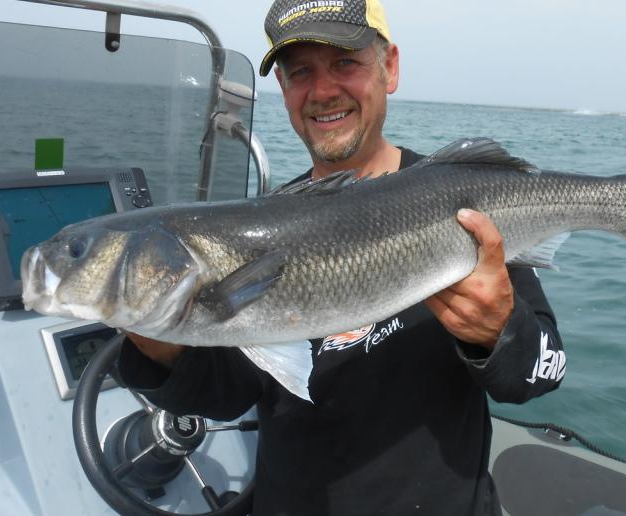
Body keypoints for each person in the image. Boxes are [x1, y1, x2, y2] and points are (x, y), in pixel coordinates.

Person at [118, 1, 566, 514]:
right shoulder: (260, 225)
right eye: (300, 71)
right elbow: (229, 393)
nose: (323, 91)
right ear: (284, 89)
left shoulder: (467, 202)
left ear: (390, 67)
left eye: (345, 63)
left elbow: (542, 371)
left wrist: (499, 332)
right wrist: (155, 341)